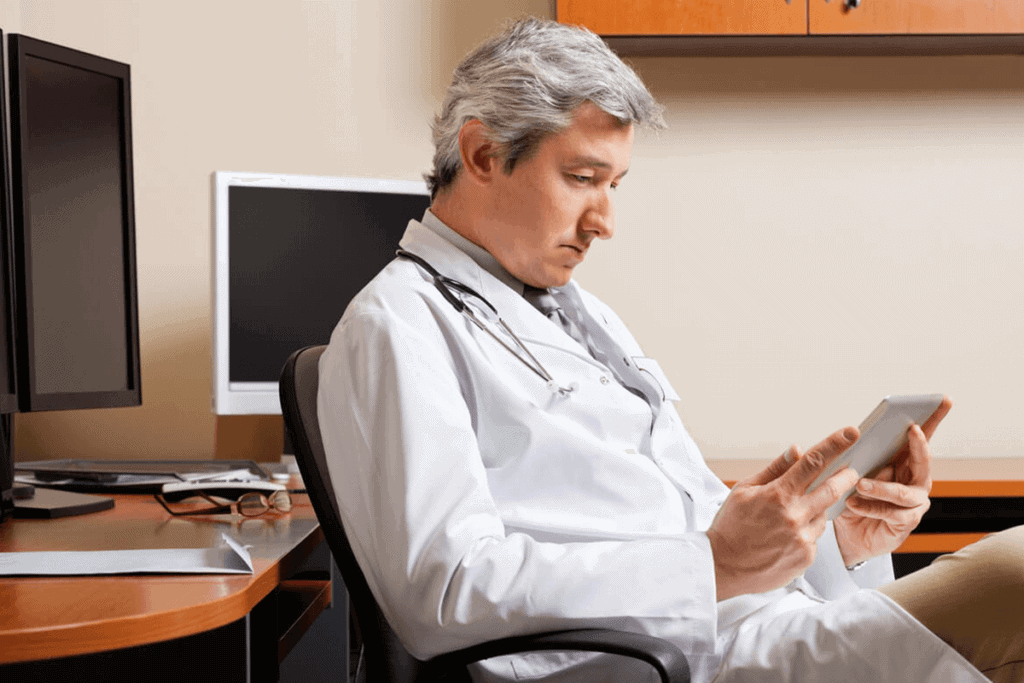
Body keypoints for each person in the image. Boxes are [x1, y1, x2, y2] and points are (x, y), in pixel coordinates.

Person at [317, 16, 1024, 683]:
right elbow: (441, 592)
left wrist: (837, 543)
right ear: (482, 153)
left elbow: (678, 518)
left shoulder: (580, 314)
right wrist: (711, 564)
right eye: (583, 178)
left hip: (750, 624)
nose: (605, 222)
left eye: (615, 186)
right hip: (678, 661)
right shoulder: (397, 325)